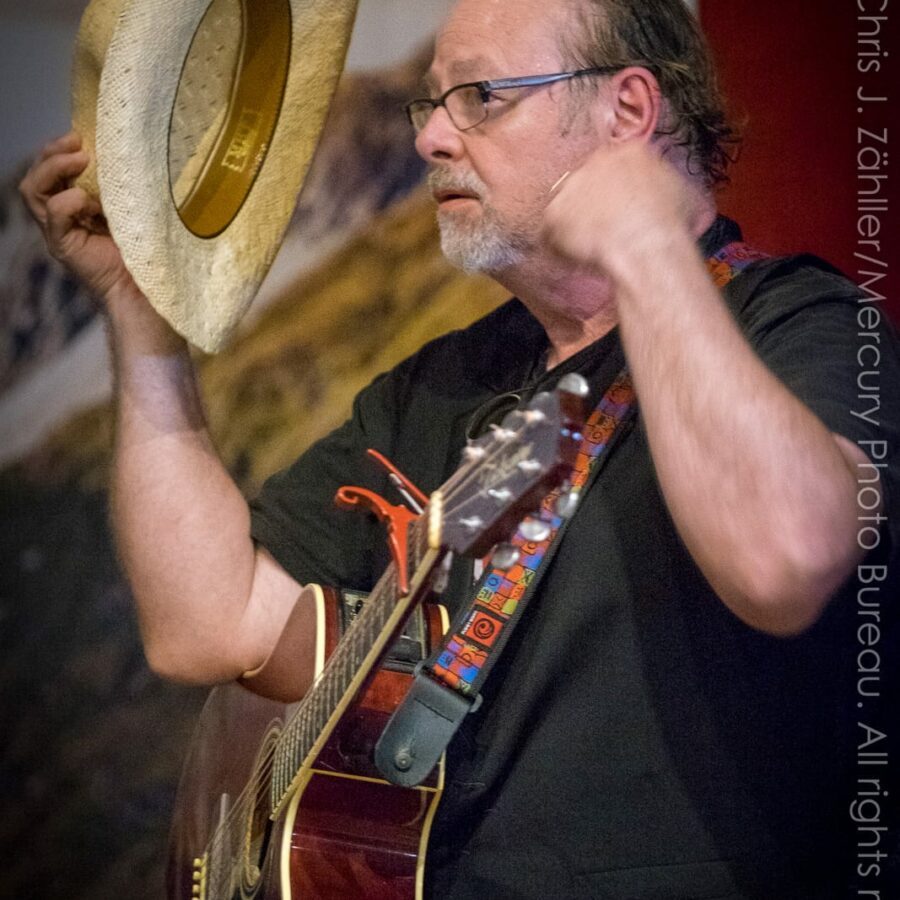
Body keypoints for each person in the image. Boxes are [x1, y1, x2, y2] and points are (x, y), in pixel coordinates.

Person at [19, 0, 900, 896]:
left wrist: (644, 242)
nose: (433, 138)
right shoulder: (440, 385)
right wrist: (143, 322)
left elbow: (786, 560)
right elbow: (206, 625)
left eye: (480, 97)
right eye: (432, 104)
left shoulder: (800, 324)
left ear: (626, 113)